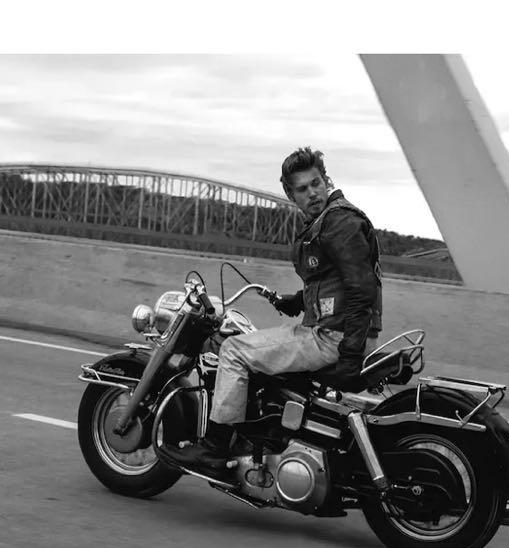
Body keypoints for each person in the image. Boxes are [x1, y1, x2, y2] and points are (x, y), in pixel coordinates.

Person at [161, 147, 382, 477]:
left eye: (316, 183)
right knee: (259, 354)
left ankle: (215, 448)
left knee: (233, 350)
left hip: (333, 337)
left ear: (326, 181)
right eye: (303, 189)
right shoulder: (330, 221)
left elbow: (361, 288)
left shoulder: (339, 222)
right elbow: (335, 283)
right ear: (291, 196)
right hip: (335, 331)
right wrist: (296, 301)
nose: (312, 193)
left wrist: (350, 352)